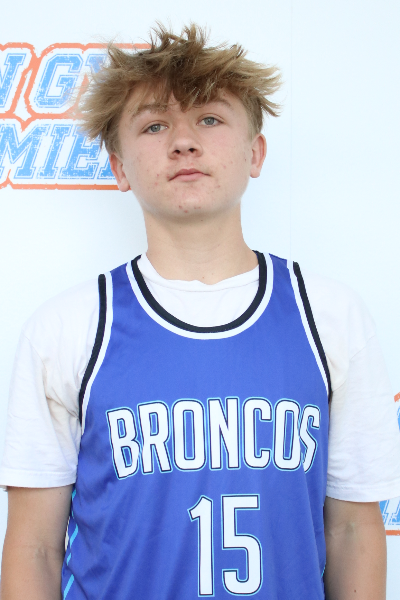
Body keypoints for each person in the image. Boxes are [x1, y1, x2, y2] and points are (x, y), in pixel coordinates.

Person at [1, 23, 400, 600]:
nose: (184, 142)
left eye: (210, 119)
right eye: (154, 125)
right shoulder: (67, 328)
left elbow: (353, 531)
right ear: (118, 167)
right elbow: (34, 546)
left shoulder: (331, 317)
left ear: (255, 152)